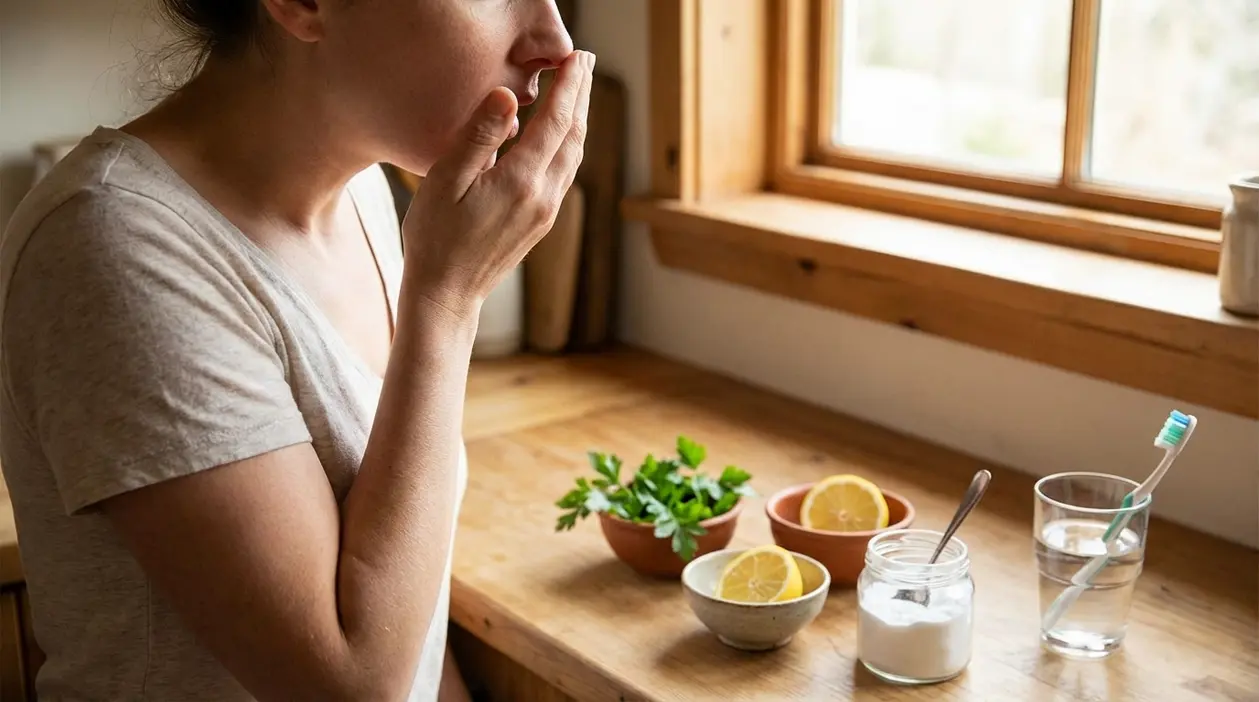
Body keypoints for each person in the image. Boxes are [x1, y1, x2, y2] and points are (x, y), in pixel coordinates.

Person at [0, 0, 591, 699]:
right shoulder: (111, 249)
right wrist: (449, 301)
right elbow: (351, 683)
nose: (554, 42)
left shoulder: (363, 194)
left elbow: (409, 598)